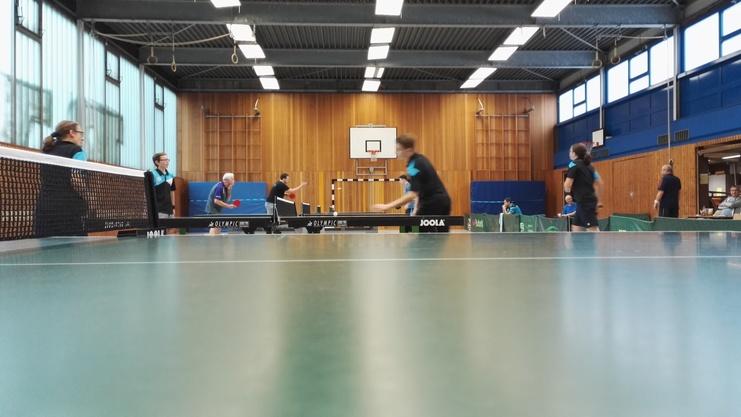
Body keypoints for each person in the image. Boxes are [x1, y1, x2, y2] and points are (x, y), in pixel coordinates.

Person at [372, 134, 451, 232]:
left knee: (424, 237)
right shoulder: (420, 159)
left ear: (408, 150)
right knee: (440, 237)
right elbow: (419, 191)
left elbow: (412, 194)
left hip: (433, 203)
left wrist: (387, 206)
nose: (396, 152)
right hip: (444, 201)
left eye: (398, 149)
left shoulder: (414, 165)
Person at [35, 120, 88, 237]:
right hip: (67, 211)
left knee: (46, 247)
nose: (82, 138)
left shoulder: (47, 151)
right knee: (76, 247)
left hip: (44, 209)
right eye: (81, 133)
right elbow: (76, 179)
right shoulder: (77, 151)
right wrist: (88, 196)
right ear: (72, 133)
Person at [563, 143, 601, 232]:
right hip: (583, 202)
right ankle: (576, 243)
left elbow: (567, 184)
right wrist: (599, 200)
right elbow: (599, 182)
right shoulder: (590, 166)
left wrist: (567, 193)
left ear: (574, 153)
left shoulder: (572, 164)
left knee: (593, 230)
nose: (569, 153)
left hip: (585, 203)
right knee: (576, 228)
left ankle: (601, 242)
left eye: (570, 151)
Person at [150, 152, 176, 219]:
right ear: (157, 162)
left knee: (172, 226)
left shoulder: (170, 175)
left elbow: (172, 191)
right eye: (164, 160)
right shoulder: (152, 175)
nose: (167, 162)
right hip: (158, 210)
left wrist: (173, 207)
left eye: (168, 160)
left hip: (169, 210)